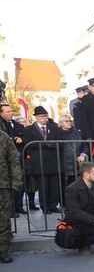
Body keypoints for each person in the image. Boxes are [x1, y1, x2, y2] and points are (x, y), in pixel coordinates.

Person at [22, 106, 64, 214]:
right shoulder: (29, 130)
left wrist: (51, 145)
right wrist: (46, 144)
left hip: (53, 161)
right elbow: (29, 143)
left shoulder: (54, 128)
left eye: (45, 116)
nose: (44, 118)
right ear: (36, 117)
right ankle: (45, 206)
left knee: (54, 185)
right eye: (41, 116)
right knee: (43, 186)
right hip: (39, 162)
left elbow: (60, 141)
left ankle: (53, 205)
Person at [0, 130, 22, 262]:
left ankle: (3, 249)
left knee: (3, 219)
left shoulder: (3, 136)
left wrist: (16, 182)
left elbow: (13, 160)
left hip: (2, 185)